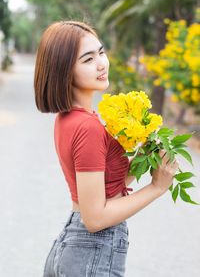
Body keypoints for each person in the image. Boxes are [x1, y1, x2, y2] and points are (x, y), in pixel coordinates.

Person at [34, 20, 179, 277]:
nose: (102, 63)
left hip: (74, 249)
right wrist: (157, 188)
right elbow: (95, 218)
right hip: (92, 252)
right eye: (88, 59)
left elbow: (104, 187)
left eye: (101, 52)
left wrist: (142, 157)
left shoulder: (69, 119)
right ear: (64, 70)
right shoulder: (87, 127)